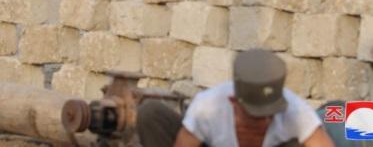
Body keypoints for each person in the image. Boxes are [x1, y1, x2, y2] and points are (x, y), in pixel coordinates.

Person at [136, 49, 335, 147]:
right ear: (233, 102)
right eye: (254, 116)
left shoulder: (296, 111)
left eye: (269, 114)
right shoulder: (208, 107)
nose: (264, 122)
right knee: (150, 113)